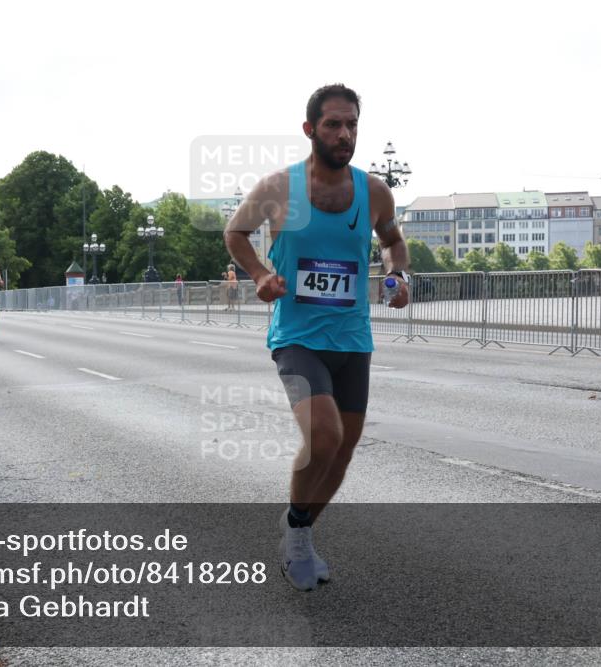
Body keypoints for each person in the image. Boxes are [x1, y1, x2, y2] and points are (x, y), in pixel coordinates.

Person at [224, 84, 410, 591]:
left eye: (352, 124)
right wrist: (261, 274)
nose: (344, 134)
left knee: (342, 451)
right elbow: (235, 232)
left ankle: (298, 530)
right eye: (333, 124)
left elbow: (393, 241)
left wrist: (398, 275)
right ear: (310, 129)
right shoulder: (279, 188)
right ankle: (298, 532)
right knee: (324, 437)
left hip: (352, 339)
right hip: (298, 337)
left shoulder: (374, 192)